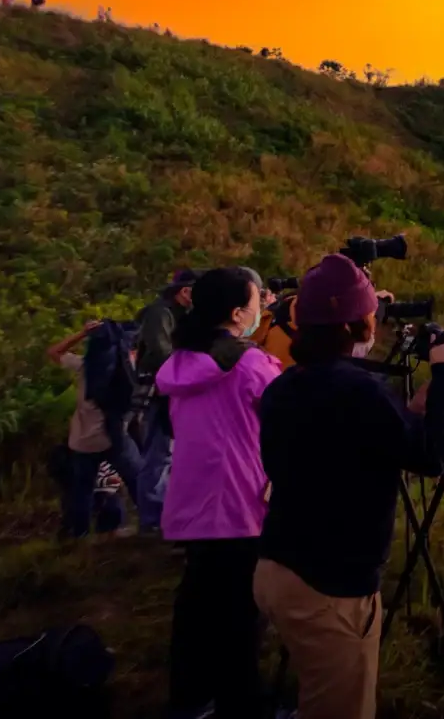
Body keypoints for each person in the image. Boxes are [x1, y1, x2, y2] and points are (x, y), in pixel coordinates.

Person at [254, 254, 444, 719]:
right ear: (352, 326)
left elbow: (341, 446)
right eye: (370, 312)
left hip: (275, 568)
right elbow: (432, 458)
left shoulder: (282, 387)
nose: (376, 320)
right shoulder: (359, 393)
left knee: (315, 686)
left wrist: (408, 414)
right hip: (330, 590)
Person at [155, 267, 279, 719]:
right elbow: (287, 416)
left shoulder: (181, 362)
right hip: (241, 504)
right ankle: (243, 706)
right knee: (241, 619)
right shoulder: (250, 364)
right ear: (235, 312)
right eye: (256, 301)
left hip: (193, 502)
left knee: (196, 607)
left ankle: (190, 700)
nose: (262, 307)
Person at [47, 320, 142, 538]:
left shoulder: (85, 366)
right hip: (114, 439)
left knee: (81, 491)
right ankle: (151, 523)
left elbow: (53, 352)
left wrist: (82, 333)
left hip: (82, 441)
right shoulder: (126, 367)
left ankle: (78, 534)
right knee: (137, 478)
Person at [134, 268, 198, 533]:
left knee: (168, 455)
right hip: (159, 394)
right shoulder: (160, 313)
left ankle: (164, 513)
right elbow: (161, 352)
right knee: (158, 456)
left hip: (169, 392)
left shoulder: (176, 314)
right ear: (185, 291)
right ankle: (152, 519)